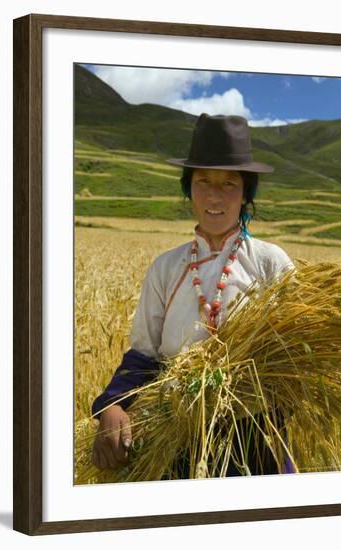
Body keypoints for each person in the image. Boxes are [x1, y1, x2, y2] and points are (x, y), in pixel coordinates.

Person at [91, 113, 295, 477]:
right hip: (176, 441)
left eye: (229, 183)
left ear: (246, 191)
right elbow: (143, 355)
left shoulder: (270, 263)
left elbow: (295, 359)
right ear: (188, 189)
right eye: (203, 181)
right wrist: (112, 405)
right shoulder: (167, 269)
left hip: (255, 440)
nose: (215, 195)